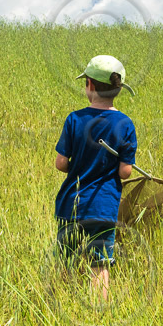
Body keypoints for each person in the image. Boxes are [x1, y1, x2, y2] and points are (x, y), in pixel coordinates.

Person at [52, 55, 137, 303]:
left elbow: (61, 163)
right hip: (104, 208)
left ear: (89, 84)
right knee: (100, 264)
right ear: (118, 90)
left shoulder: (74, 119)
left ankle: (63, 303)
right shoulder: (125, 123)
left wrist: (78, 163)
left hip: (71, 205)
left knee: (67, 259)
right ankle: (99, 308)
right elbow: (125, 172)